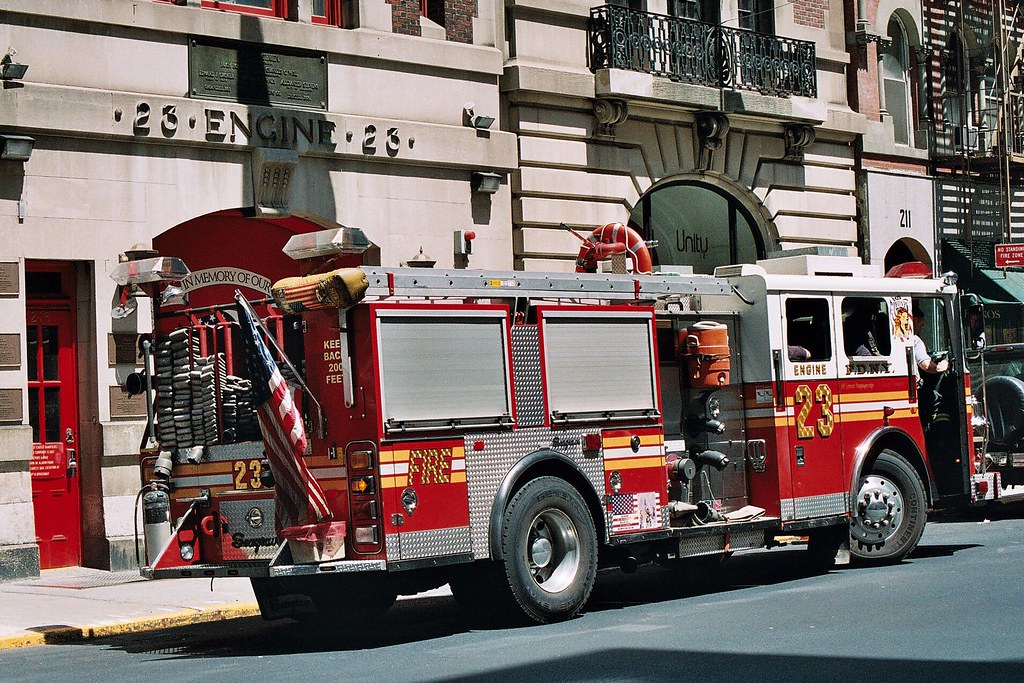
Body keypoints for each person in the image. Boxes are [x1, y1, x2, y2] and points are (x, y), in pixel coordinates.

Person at [912, 304, 949, 375]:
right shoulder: (914, 340)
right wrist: (943, 366)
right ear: (915, 320)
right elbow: (927, 366)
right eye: (921, 326)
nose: (920, 330)